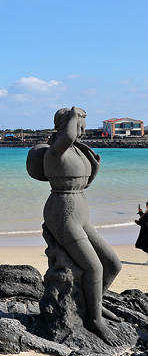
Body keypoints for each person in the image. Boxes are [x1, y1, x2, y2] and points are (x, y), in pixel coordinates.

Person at [42, 106, 122, 344]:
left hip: (80, 211)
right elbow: (66, 137)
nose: (83, 133)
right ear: (68, 126)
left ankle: (94, 303)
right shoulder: (56, 150)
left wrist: (94, 168)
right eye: (80, 127)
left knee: (113, 264)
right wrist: (73, 117)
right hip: (62, 213)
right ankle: (94, 320)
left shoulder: (77, 151)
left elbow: (83, 183)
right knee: (94, 268)